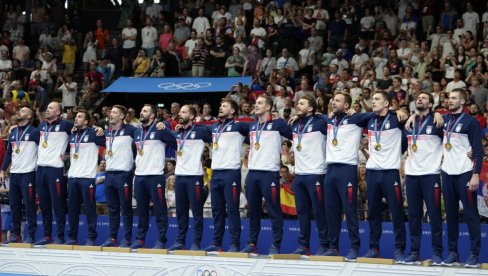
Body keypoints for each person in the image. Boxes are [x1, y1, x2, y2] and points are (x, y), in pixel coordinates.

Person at [241, 94, 292, 255]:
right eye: (255, 102)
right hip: (253, 174)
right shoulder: (252, 126)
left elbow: (294, 135)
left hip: (269, 173)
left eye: (260, 103)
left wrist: (282, 120)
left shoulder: (278, 124)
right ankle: (251, 243)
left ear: (268, 107)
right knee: (253, 210)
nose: (255, 105)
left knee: (273, 211)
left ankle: (276, 245)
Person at [362, 91, 406, 263]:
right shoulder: (370, 119)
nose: (373, 102)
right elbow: (354, 117)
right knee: (373, 213)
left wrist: (398, 110)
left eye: (377, 99)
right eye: (372, 99)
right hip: (372, 172)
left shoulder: (396, 119)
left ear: (387, 103)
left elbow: (410, 119)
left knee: (396, 212)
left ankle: (399, 249)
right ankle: (373, 248)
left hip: (390, 173)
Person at [441, 88, 482, 267]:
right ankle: (452, 253)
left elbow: (478, 151)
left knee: (471, 215)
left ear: (463, 101)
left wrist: (475, 175)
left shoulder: (471, 121)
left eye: (454, 98)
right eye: (449, 98)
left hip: (465, 173)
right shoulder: (443, 120)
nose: (450, 100)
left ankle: (474, 254)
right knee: (450, 216)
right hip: (447, 173)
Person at [403, 91, 444, 265]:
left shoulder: (437, 121)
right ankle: (414, 251)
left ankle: (437, 252)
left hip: (431, 175)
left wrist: (437, 113)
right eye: (418, 98)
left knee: (434, 215)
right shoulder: (409, 123)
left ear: (431, 103)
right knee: (413, 216)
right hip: (412, 175)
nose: (420, 99)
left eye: (424, 98)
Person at [203, 99, 249, 253]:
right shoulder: (215, 127)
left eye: (225, 106)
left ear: (233, 111)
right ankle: (217, 242)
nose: (221, 107)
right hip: (216, 173)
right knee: (217, 210)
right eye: (221, 105)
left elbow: (256, 129)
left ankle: (235, 243)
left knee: (233, 209)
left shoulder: (239, 125)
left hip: (231, 172)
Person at [130, 104, 176, 249]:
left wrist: (166, 128)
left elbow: (175, 142)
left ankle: (161, 240)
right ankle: (140, 239)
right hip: (139, 176)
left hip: (155, 175)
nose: (141, 113)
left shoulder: (159, 129)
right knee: (142, 209)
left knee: (160, 209)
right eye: (141, 110)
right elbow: (135, 150)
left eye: (145, 111)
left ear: (152, 116)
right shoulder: (137, 132)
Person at [167, 105, 212, 251]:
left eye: (184, 112)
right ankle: (180, 241)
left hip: (194, 177)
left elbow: (215, 138)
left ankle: (196, 243)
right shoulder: (178, 132)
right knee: (181, 212)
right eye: (180, 112)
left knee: (197, 212)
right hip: (179, 176)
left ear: (192, 116)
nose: (180, 114)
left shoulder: (201, 131)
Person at [289, 95, 328, 256]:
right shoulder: (295, 124)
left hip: (316, 173)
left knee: (319, 212)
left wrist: (320, 114)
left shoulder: (320, 123)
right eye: (297, 103)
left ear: (311, 108)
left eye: (302, 104)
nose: (298, 106)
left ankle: (325, 245)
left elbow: (333, 122)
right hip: (299, 175)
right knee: (302, 212)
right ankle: (303, 245)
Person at [33, 102, 74, 245]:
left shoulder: (66, 125)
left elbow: (80, 134)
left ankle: (60, 236)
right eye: (47, 107)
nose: (47, 110)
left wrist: (68, 153)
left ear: (58, 112)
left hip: (55, 170)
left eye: (51, 108)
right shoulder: (41, 126)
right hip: (41, 169)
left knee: (58, 204)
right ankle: (46, 235)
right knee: (44, 205)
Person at [65, 111, 105, 245]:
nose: (76, 118)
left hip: (87, 177)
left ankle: (91, 237)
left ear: (87, 121)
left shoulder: (94, 133)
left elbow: (109, 142)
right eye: (76, 116)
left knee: (89, 209)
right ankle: (72, 237)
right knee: (72, 210)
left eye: (80, 117)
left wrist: (100, 129)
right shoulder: (72, 134)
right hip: (72, 177)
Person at [0, 107, 39, 244]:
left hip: (28, 173)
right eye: (19, 111)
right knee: (14, 205)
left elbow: (44, 151)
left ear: (29, 116)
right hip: (14, 174)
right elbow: (9, 153)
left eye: (22, 111)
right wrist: (2, 170)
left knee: (29, 205)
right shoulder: (13, 132)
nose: (19, 113)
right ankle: (15, 234)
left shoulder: (35, 132)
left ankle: (31, 235)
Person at [100, 105, 137, 248]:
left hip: (123, 175)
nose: (111, 114)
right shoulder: (107, 132)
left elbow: (145, 134)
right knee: (112, 208)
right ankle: (112, 238)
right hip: (109, 174)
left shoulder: (131, 130)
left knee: (126, 209)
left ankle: (127, 239)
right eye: (110, 111)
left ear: (122, 116)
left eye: (114, 112)